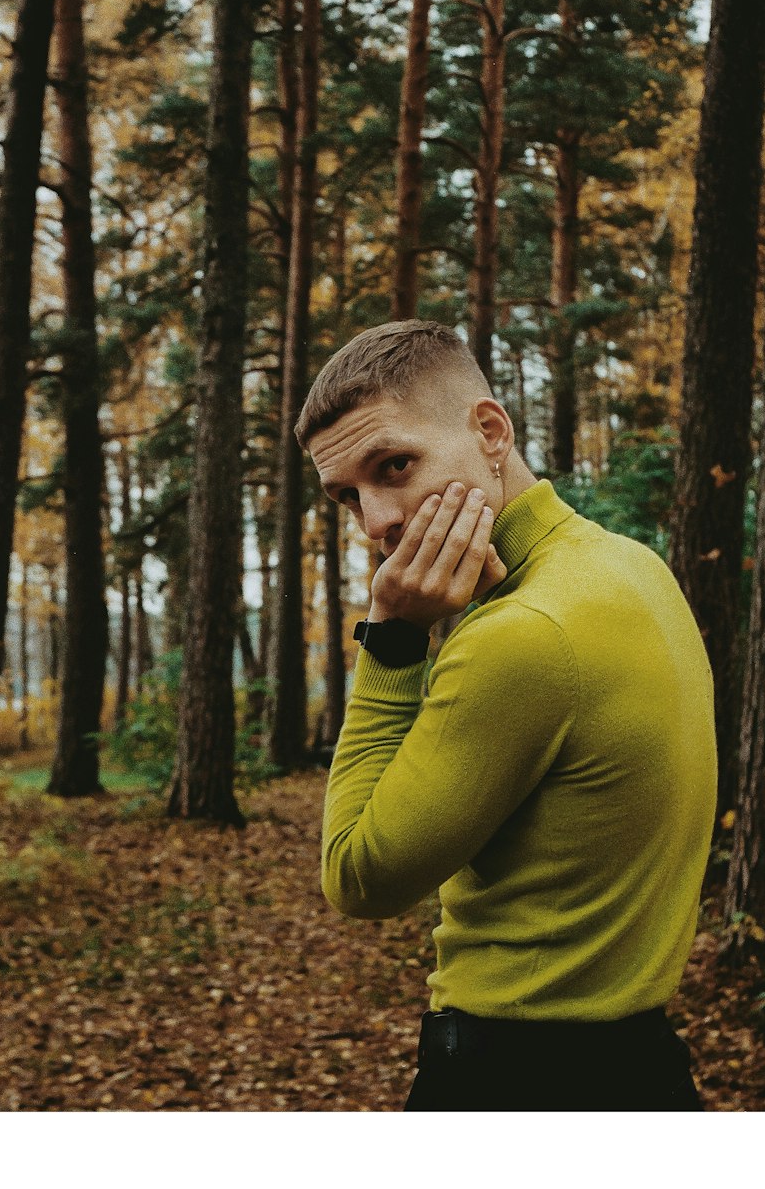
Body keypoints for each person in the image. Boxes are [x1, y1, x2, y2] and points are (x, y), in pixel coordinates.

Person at [296, 319, 717, 1112]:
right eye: (348, 494)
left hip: (516, 1080)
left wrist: (391, 645)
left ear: (490, 430)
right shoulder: (632, 565)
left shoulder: (523, 635)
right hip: (647, 1069)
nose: (378, 522)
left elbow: (357, 877)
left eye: (395, 464)